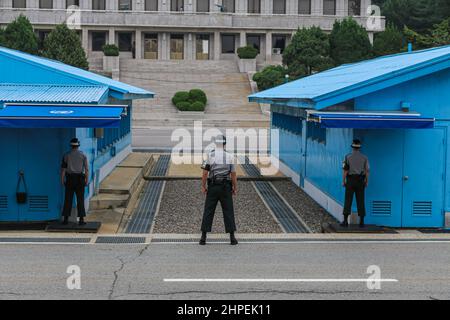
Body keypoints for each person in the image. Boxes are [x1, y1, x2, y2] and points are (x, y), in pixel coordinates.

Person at [200, 135, 238, 245]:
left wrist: (203, 186)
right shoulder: (230, 156)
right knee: (228, 211)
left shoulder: (210, 155)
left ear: (216, 144)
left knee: (208, 210)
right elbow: (233, 174)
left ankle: (203, 237)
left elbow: (205, 173)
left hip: (213, 185)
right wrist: (235, 188)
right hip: (226, 187)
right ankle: (232, 238)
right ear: (224, 144)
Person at [341, 139, 370, 228]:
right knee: (360, 200)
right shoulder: (365, 158)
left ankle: (345, 221)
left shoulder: (347, 157)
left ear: (352, 147)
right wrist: (366, 181)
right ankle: (361, 222)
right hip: (360, 180)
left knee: (348, 200)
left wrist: (343, 181)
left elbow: (345, 170)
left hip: (350, 180)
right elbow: (367, 170)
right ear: (359, 148)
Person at [61, 138, 89, 226]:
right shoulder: (83, 155)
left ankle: (66, 219)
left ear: (71, 146)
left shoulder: (66, 155)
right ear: (78, 145)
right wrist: (87, 180)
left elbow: (63, 170)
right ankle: (81, 219)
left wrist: (62, 180)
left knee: (68, 199)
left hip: (69, 179)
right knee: (80, 199)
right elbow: (86, 169)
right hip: (80, 179)